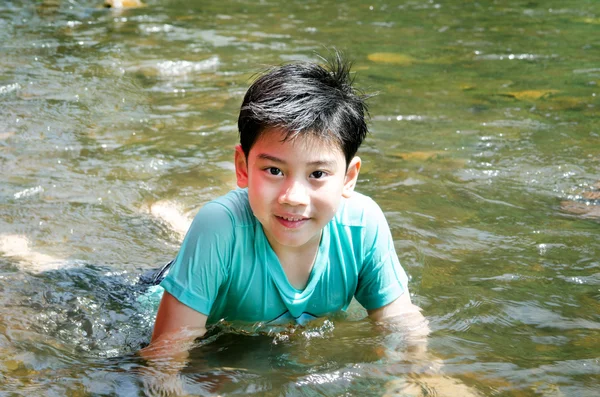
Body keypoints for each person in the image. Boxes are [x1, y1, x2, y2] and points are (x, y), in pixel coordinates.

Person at [145, 53, 427, 359]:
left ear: (349, 177)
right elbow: (162, 359)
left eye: (317, 174)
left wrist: (413, 374)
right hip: (163, 291)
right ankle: (166, 219)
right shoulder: (217, 227)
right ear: (243, 167)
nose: (293, 196)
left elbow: (402, 325)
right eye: (274, 171)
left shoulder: (363, 225)